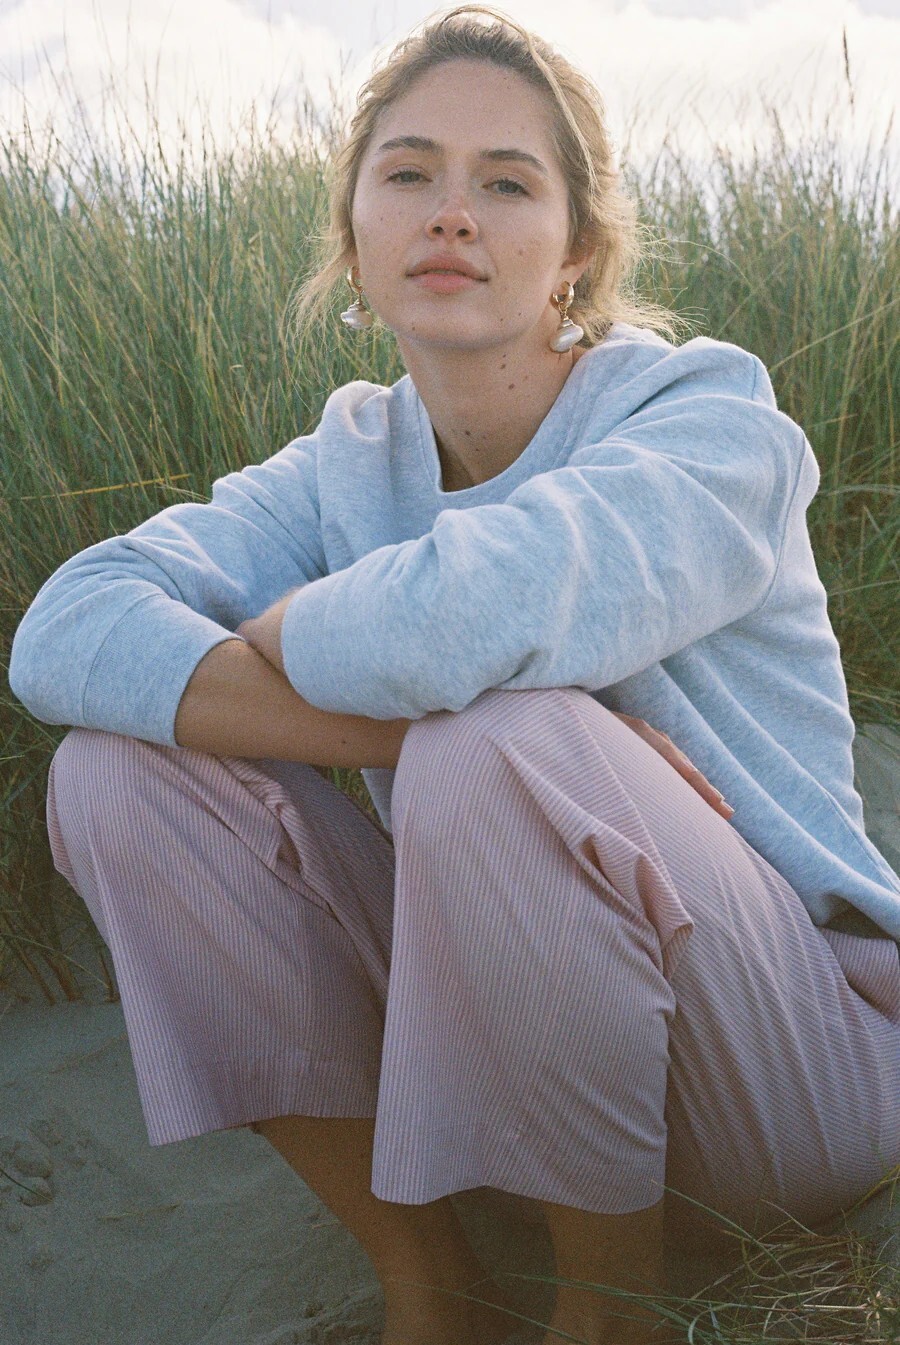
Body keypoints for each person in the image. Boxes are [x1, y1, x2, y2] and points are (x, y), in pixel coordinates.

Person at [8, 5, 900, 1344]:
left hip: (789, 1066)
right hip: (502, 1072)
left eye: (508, 182)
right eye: (410, 173)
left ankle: (607, 1312)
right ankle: (432, 1280)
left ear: (578, 250)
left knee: (500, 741)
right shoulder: (344, 464)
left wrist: (292, 634)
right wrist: (393, 739)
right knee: (114, 771)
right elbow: (68, 633)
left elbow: (463, 620)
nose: (452, 214)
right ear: (356, 232)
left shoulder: (710, 417)